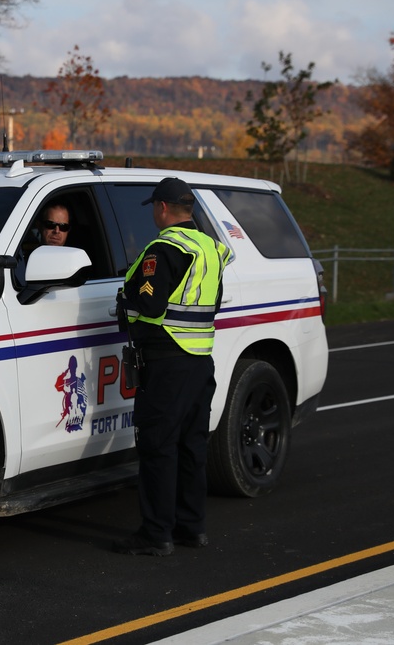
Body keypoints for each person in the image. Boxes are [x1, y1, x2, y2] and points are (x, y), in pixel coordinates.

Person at [113, 177, 232, 556]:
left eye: (153, 207)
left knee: (158, 447)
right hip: (200, 361)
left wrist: (123, 307)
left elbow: (150, 308)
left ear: (162, 208)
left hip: (166, 363)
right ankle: (191, 528)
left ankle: (156, 535)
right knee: (191, 447)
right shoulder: (211, 248)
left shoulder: (164, 248)